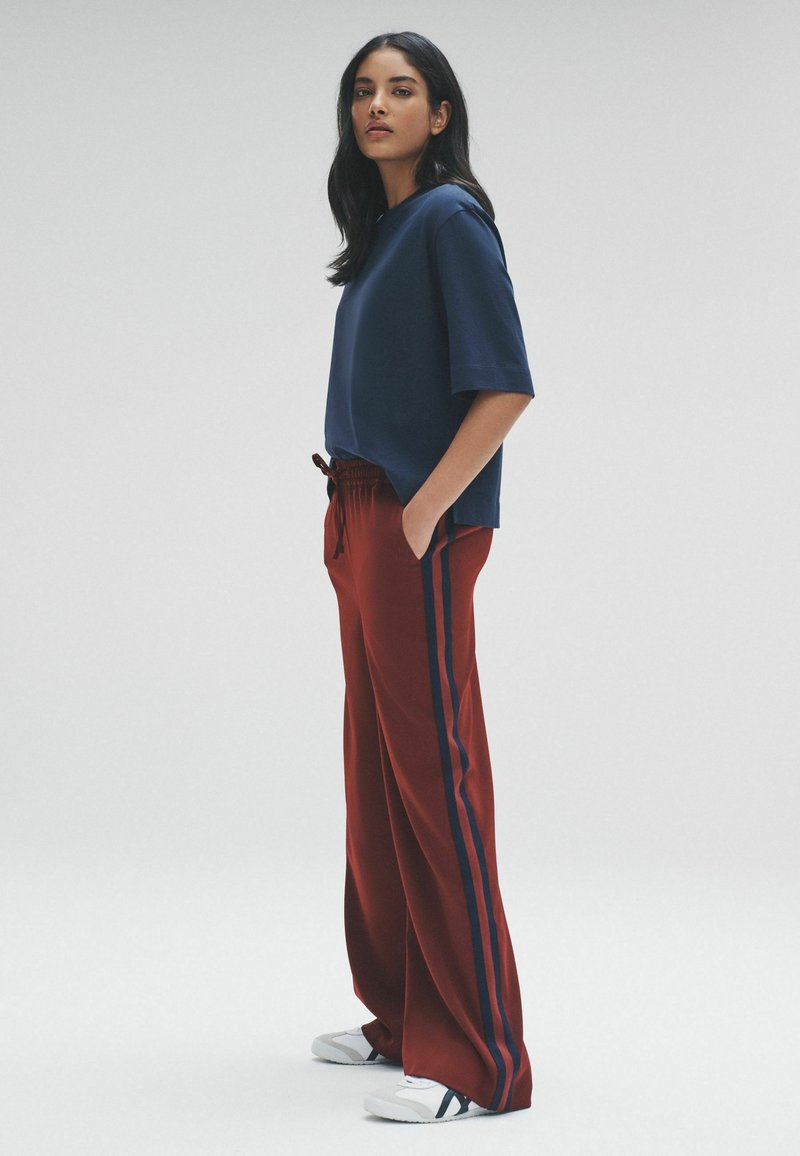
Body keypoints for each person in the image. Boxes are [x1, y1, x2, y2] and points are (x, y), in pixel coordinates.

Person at [310, 30, 536, 1124]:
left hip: (415, 526)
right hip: (358, 513)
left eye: (402, 90)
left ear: (439, 114)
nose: (378, 105)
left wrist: (423, 509)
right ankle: (404, 1013)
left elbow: (505, 387)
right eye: (363, 90)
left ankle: (479, 1060)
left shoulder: (449, 218)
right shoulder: (382, 234)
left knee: (435, 778)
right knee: (377, 775)